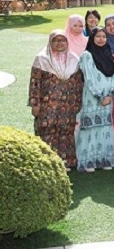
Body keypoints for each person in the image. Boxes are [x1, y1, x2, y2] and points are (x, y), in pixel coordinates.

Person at [29, 30, 83, 170]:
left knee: (66, 131)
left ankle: (66, 162)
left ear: (67, 42)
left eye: (62, 40)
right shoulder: (42, 59)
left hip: (68, 104)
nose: (59, 43)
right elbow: (35, 83)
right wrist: (35, 104)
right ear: (50, 42)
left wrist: (78, 102)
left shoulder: (74, 59)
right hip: (47, 104)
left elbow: (78, 84)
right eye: (56, 40)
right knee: (47, 130)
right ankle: (46, 163)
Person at [77, 27, 114, 172]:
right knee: (90, 128)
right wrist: (100, 95)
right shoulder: (86, 55)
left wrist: (111, 94)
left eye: (104, 37)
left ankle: (104, 159)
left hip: (108, 98)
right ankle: (89, 161)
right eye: (98, 36)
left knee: (105, 127)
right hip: (93, 98)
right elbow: (89, 79)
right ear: (92, 39)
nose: (101, 39)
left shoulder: (109, 54)